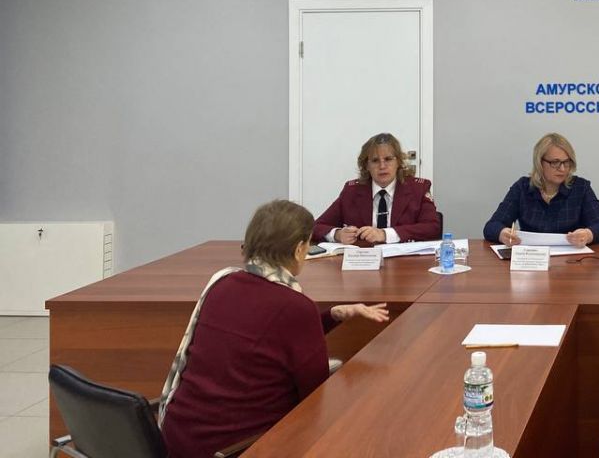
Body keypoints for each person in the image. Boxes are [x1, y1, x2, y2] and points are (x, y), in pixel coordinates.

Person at [159, 200, 389, 458]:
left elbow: (267, 335)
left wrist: (332, 316)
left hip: (179, 440)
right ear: (299, 249)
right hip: (236, 447)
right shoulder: (294, 306)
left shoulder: (223, 283)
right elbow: (314, 398)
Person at [484, 133, 599, 247]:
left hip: (572, 260)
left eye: (566, 162)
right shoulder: (522, 188)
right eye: (555, 162)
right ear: (540, 163)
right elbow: (492, 226)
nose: (562, 169)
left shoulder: (581, 187)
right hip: (532, 259)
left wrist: (587, 234)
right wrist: (502, 233)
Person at [313, 133, 440, 245]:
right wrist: (338, 234)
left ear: (399, 162)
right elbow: (316, 227)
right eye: (375, 161)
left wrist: (385, 234)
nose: (382, 166)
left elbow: (432, 228)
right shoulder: (352, 191)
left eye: (388, 159)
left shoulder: (418, 189)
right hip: (364, 259)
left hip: (404, 260)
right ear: (366, 165)